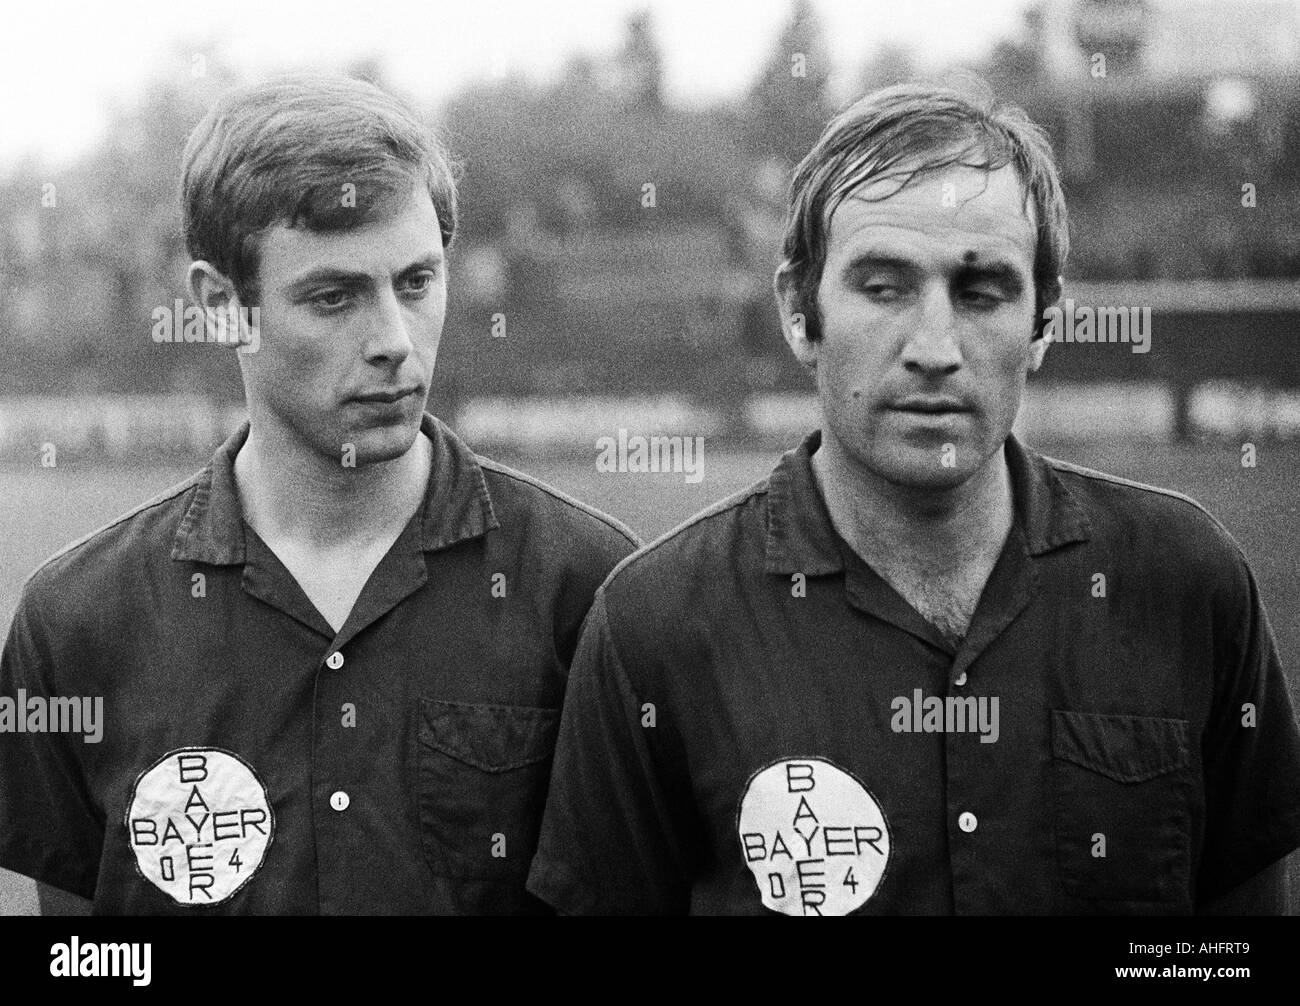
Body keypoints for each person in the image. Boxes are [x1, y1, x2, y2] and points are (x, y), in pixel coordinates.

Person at [526, 83, 1300, 915]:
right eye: (885, 287)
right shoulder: (653, 626)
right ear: (798, 311)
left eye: (982, 293)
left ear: (1043, 323)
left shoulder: (1185, 581)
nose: (934, 348)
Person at [0, 75, 639, 915]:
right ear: (224, 306)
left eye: (416, 283)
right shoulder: (75, 623)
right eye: (333, 297)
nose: (392, 342)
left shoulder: (591, 588)